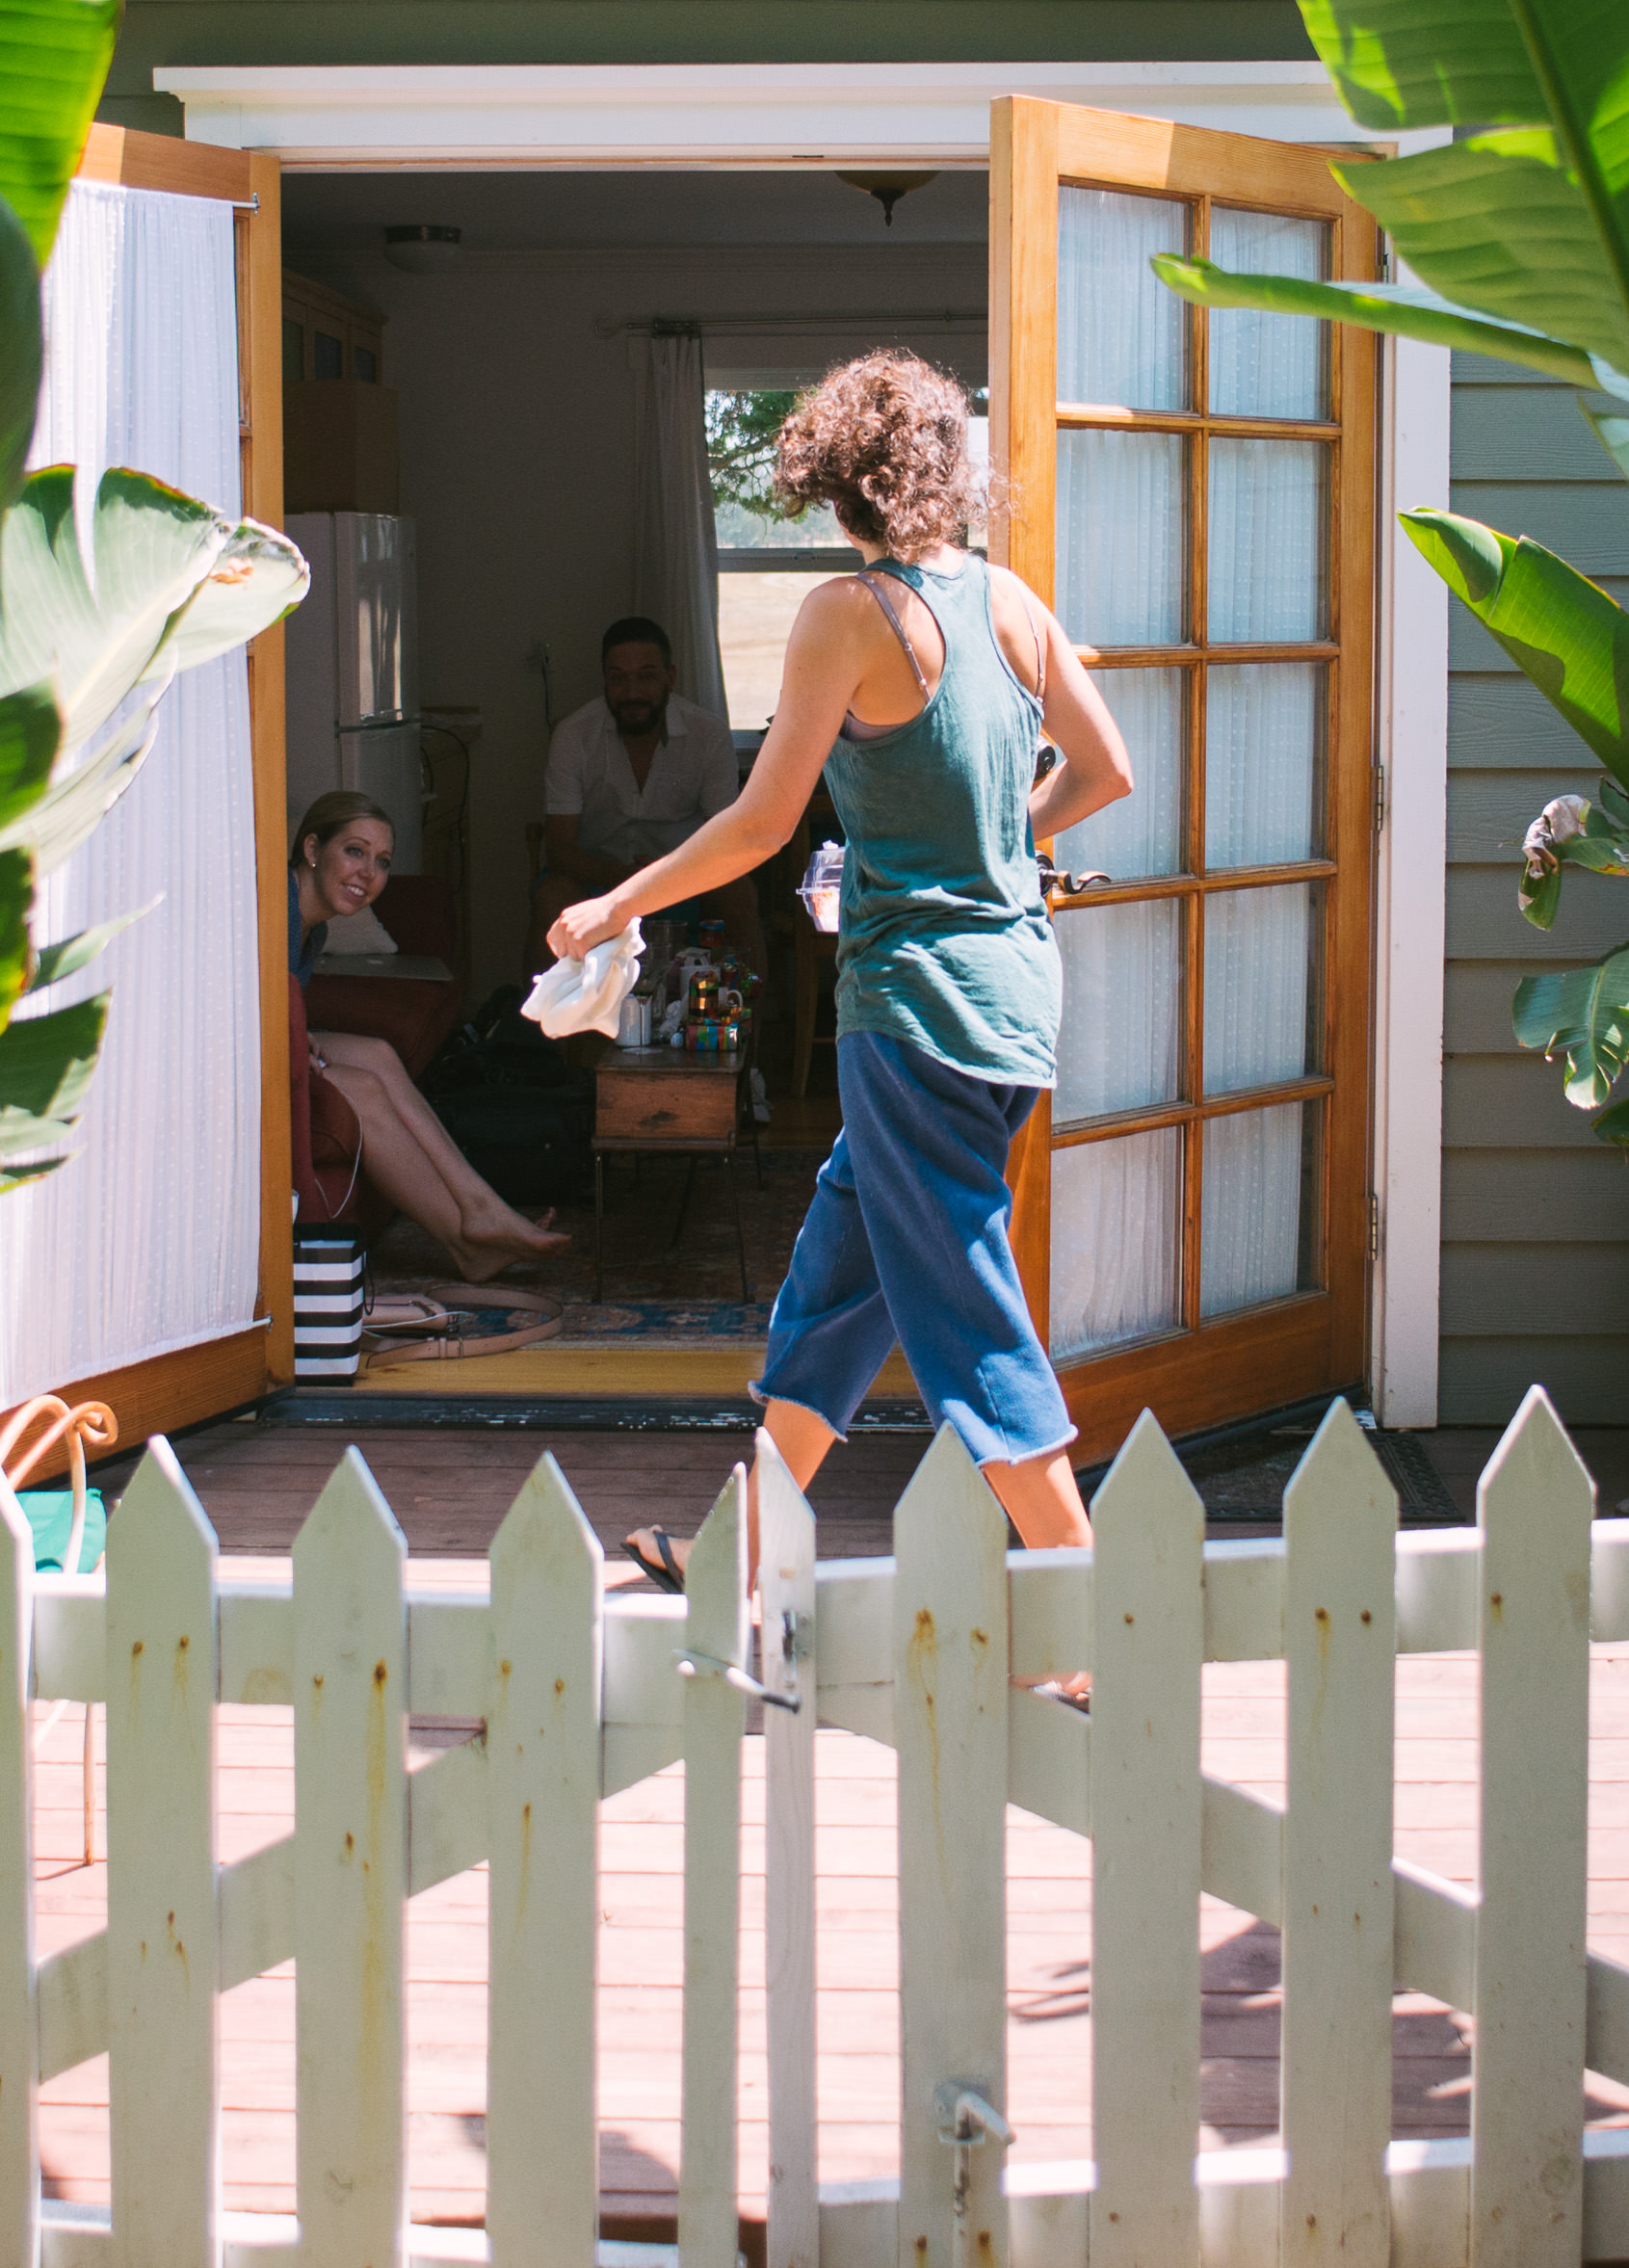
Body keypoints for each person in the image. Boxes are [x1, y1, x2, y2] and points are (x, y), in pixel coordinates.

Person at [546, 352, 1134, 1561]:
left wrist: (615, 902)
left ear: (837, 480)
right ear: (940, 470)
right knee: (839, 1273)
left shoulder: (846, 614)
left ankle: (1084, 1599)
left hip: (914, 1012)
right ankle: (739, 1551)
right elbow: (1107, 767)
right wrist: (993, 846)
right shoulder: (1010, 603)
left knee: (962, 1302)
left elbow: (762, 822)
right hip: (1011, 1001)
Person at [295, 791, 573, 1283]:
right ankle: (465, 1235)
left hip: (273, 1040)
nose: (368, 873)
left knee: (378, 1054)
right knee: (362, 1088)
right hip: (231, 1061)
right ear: (313, 849)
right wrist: (291, 1036)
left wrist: (294, 1030)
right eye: (354, 851)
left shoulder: (312, 931)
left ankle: (479, 1208)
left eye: (381, 862)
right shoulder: (277, 910)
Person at [538, 616, 749, 960]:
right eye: (618, 678)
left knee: (738, 894)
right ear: (604, 680)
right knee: (552, 894)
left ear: (670, 678)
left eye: (646, 677)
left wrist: (664, 878)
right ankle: (541, 1014)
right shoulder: (573, 734)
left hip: (686, 883)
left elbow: (727, 842)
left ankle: (740, 1012)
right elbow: (559, 849)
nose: (632, 692)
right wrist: (623, 880)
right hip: (597, 882)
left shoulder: (708, 735)